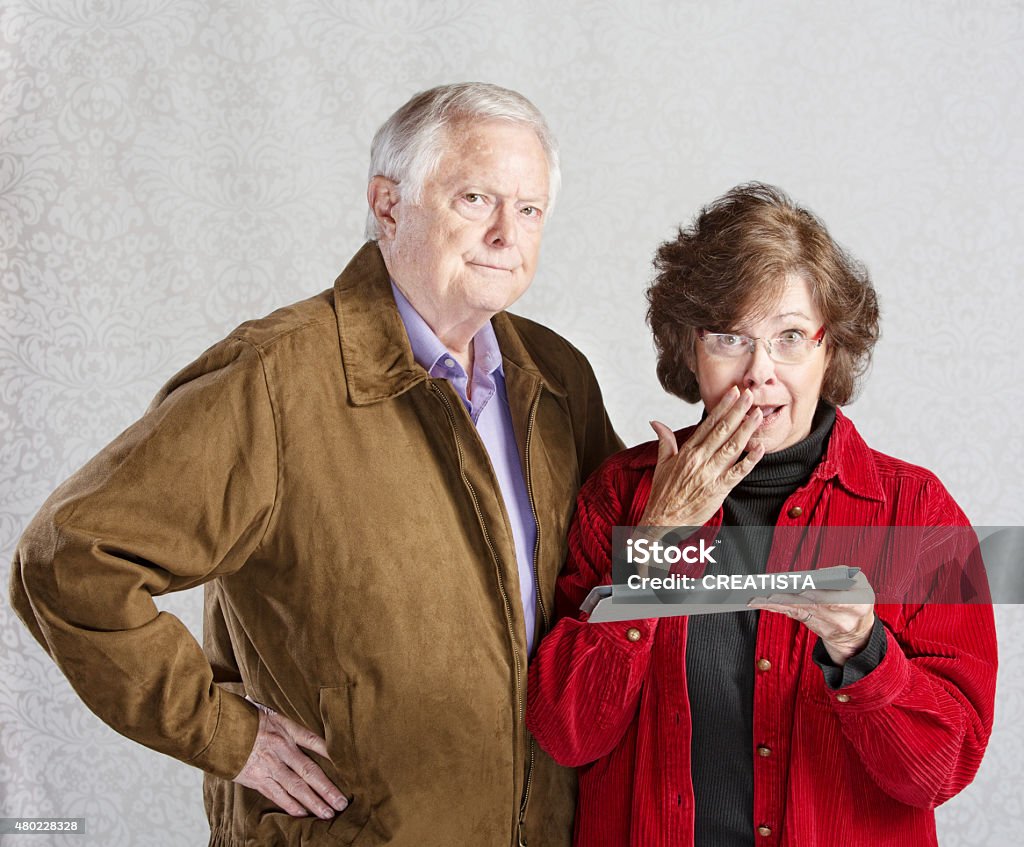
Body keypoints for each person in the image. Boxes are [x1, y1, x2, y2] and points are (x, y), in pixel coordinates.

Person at [9, 82, 621, 846]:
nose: (507, 233)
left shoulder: (558, 377)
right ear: (388, 203)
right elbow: (69, 559)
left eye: (529, 210)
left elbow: (620, 581)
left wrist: (809, 563)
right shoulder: (274, 379)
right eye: (475, 198)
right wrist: (227, 735)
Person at [526, 183, 997, 847]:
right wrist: (656, 545)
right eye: (729, 338)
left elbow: (942, 770)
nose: (759, 373)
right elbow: (566, 733)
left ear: (831, 347)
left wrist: (861, 651)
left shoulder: (918, 512)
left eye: (790, 338)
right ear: (690, 348)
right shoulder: (620, 496)